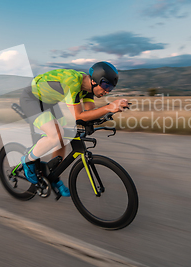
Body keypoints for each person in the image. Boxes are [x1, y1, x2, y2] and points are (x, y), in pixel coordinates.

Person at [18, 61, 128, 196]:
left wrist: (113, 110)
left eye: (110, 88)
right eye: (106, 85)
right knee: (56, 135)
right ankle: (28, 160)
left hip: (49, 102)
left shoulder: (88, 89)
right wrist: (110, 106)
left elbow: (90, 113)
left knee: (64, 138)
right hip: (32, 99)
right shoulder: (73, 82)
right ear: (95, 81)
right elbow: (79, 115)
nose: (107, 91)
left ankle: (53, 177)